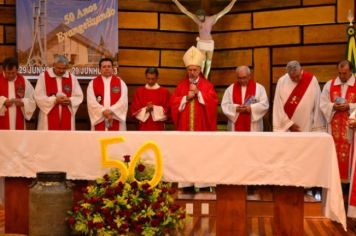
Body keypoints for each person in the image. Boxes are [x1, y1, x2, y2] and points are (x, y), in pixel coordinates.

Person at [172, 0, 237, 78]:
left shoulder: (211, 19)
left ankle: (205, 77)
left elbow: (225, 11)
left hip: (209, 43)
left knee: (209, 62)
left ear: (204, 15)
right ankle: (201, 77)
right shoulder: (197, 19)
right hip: (201, 43)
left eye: (200, 16)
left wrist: (233, 1)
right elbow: (185, 11)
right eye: (198, 16)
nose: (199, 18)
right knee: (202, 62)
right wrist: (176, 1)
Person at [320, 60, 356, 182]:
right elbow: (323, 104)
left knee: (349, 156)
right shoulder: (329, 85)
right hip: (333, 128)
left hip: (351, 130)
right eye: (339, 73)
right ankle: (335, 184)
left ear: (351, 71)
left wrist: (349, 107)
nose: (341, 76)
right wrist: (333, 107)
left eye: (344, 73)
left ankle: (349, 187)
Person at [170, 46, 218, 131]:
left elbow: (213, 103)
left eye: (195, 70)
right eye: (189, 70)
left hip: (202, 126)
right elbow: (173, 103)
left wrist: (199, 93)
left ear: (200, 70)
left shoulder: (208, 86)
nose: (192, 72)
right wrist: (186, 98)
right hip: (185, 126)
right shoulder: (181, 86)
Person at [273, 60, 325, 132]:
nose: (296, 79)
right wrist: (288, 125)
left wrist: (317, 126)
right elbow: (278, 106)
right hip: (288, 129)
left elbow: (317, 104)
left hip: (307, 125)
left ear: (301, 70)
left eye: (297, 76)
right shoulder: (281, 82)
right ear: (288, 74)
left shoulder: (312, 80)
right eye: (292, 78)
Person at [34, 55, 83, 130]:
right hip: (47, 117)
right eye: (59, 68)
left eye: (64, 68)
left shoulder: (72, 78)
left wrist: (69, 100)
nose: (61, 71)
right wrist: (55, 100)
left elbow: (79, 96)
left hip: (67, 115)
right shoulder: (43, 77)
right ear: (53, 65)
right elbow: (38, 96)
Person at [221, 65, 269, 131]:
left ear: (249, 76)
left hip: (253, 126)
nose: (242, 80)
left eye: (244, 78)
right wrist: (235, 108)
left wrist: (251, 108)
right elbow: (224, 105)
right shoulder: (230, 89)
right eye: (239, 78)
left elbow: (264, 105)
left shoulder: (259, 88)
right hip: (235, 127)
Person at [87, 58, 128, 131]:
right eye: (104, 67)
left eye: (109, 66)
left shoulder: (121, 83)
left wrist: (111, 111)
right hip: (99, 119)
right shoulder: (92, 83)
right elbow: (91, 102)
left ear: (113, 68)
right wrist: (103, 111)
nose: (107, 69)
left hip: (115, 118)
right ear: (100, 69)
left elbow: (123, 101)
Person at [0, 57, 36, 130]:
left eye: (13, 73)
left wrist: (23, 102)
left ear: (17, 70)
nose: (11, 75)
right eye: (8, 73)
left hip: (19, 118)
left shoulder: (23, 81)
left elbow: (33, 99)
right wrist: (3, 101)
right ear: (3, 70)